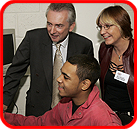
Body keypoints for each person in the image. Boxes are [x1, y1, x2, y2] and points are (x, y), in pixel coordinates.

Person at [3, 3, 94, 117]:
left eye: (59, 26)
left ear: (71, 26)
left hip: (71, 110)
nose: (52, 31)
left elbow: (87, 81)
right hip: (37, 109)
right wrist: (4, 101)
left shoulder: (84, 45)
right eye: (49, 24)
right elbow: (15, 71)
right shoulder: (33, 38)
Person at [4, 54, 122, 126]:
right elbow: (40, 123)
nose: (58, 79)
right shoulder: (65, 103)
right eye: (61, 73)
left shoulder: (105, 120)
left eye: (66, 77)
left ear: (84, 84)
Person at [96, 5, 134, 125]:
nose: (102, 32)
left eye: (107, 26)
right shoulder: (104, 49)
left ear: (122, 25)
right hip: (108, 116)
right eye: (100, 27)